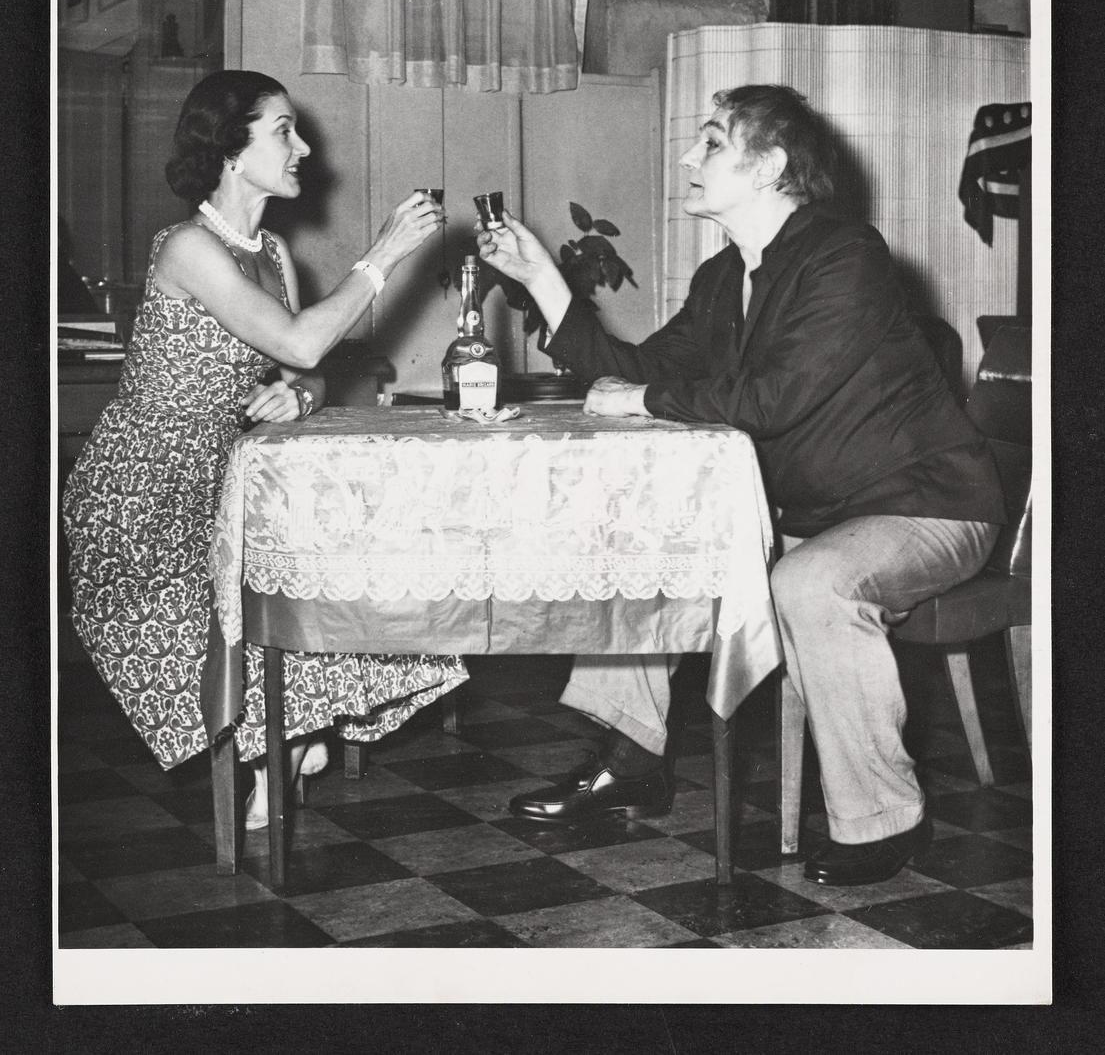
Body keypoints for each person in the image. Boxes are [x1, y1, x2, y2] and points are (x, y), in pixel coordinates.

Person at [476, 84, 1007, 887]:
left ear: (769, 167)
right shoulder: (726, 276)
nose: (690, 158)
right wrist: (545, 281)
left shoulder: (843, 254)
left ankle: (881, 817)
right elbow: (644, 371)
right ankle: (630, 757)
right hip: (816, 512)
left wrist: (646, 399)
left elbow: (772, 398)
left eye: (712, 142)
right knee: (653, 545)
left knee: (812, 584)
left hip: (923, 504)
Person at [64, 70, 466, 829]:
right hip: (135, 498)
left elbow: (300, 368)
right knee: (215, 619)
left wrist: (301, 395)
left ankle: (286, 735)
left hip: (222, 485)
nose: (304, 146)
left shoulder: (274, 252)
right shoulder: (185, 247)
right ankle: (277, 738)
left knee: (325, 582)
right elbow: (297, 336)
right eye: (283, 129)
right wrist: (383, 254)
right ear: (228, 147)